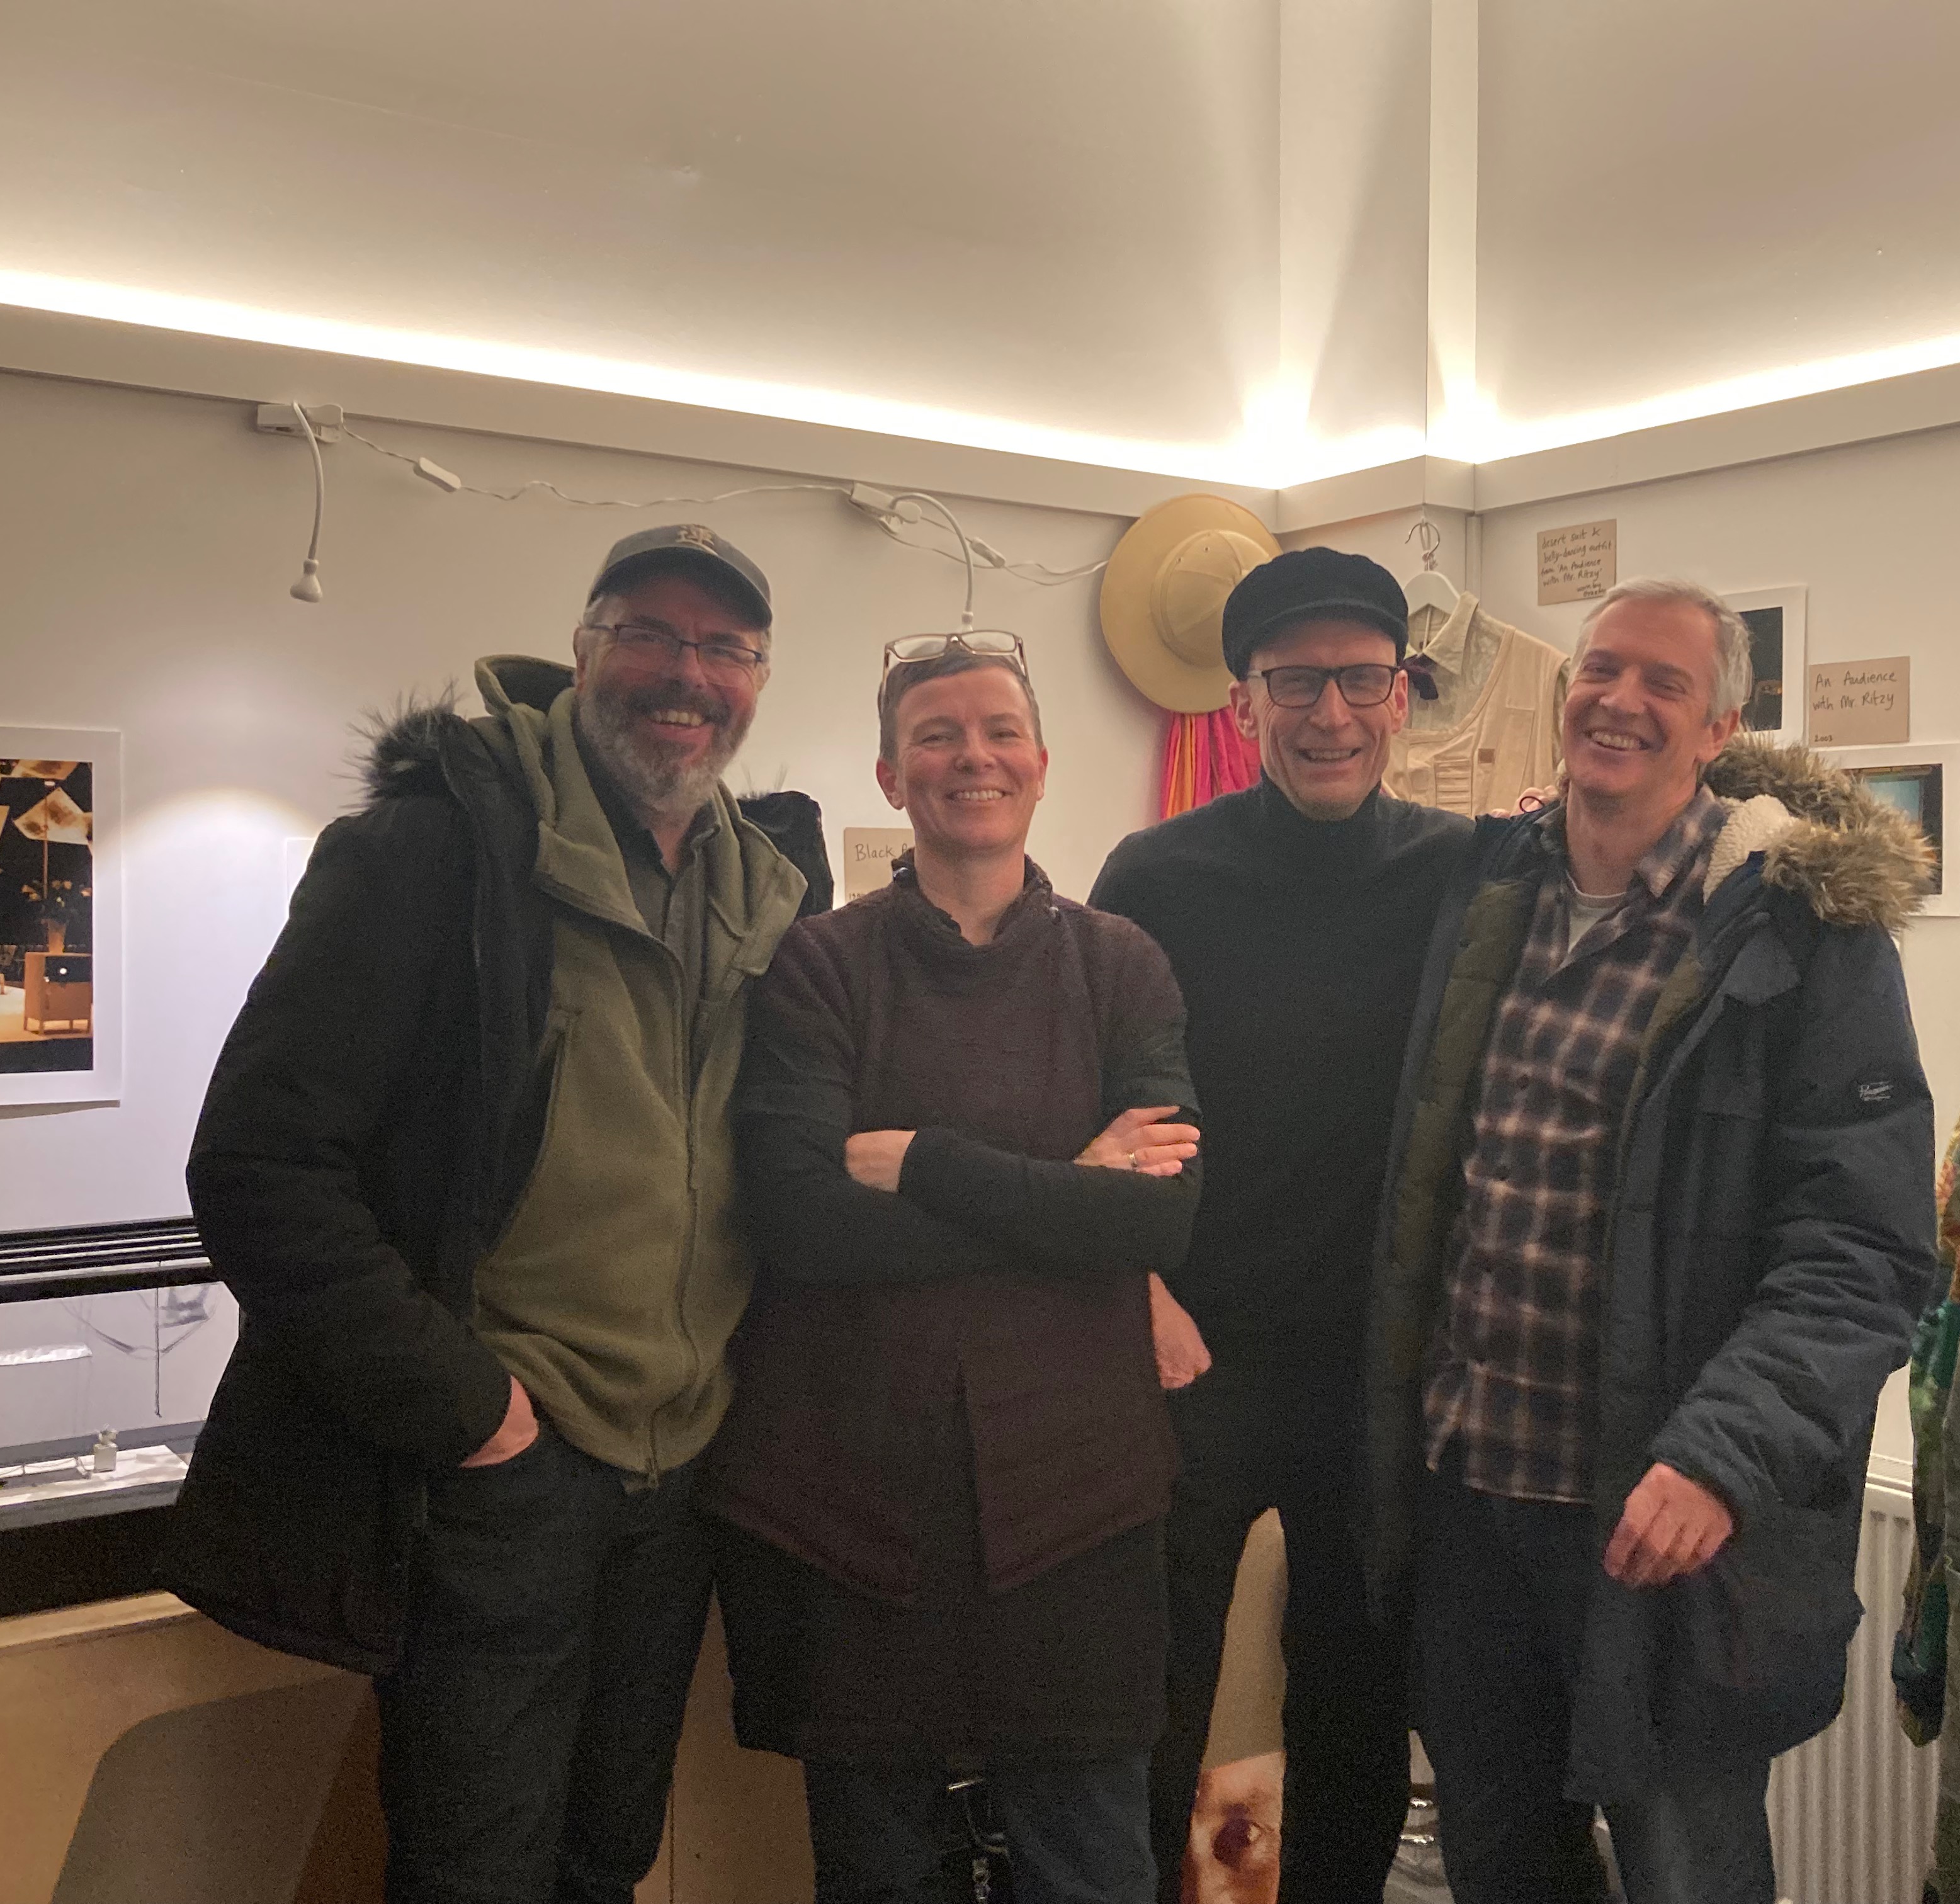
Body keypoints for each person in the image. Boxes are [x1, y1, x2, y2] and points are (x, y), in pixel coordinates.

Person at [165, 524, 825, 1904]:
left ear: (759, 681)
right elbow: (261, 1164)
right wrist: (471, 1413)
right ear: (582, 651)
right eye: (649, 633)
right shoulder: (431, 854)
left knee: (606, 1861)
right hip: (507, 1472)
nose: (687, 673)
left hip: (682, 1476)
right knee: (474, 1874)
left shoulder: (767, 890)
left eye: (726, 647)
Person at [1361, 577, 1939, 1903]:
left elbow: (1862, 1253)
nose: (1619, 701)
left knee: (1689, 1869)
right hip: (1472, 1497)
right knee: (1501, 1866)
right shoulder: (1490, 888)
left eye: (1663, 683)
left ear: (1721, 724)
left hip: (1664, 1524)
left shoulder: (1800, 933)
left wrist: (1719, 1459)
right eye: (1601, 669)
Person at [699, 630, 1203, 1903]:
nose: (971, 757)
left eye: (997, 732)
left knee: (1094, 1869)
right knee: (878, 1875)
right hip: (854, 1501)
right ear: (891, 774)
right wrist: (1069, 1188)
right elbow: (804, 1224)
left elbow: (1157, 1224)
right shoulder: (820, 964)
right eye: (937, 736)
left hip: (1081, 1500)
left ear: (1039, 762)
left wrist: (928, 1162)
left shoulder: (1121, 964)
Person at [1091, 548, 1473, 1902]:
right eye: (1296, 682)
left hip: (1379, 1366)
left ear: (1401, 697)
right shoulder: (1157, 875)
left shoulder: (1461, 874)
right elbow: (1091, 1100)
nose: (1331, 714)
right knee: (1150, 1695)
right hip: (1192, 1349)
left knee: (1358, 1700)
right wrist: (1136, 1289)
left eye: (1361, 681)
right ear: (1242, 704)